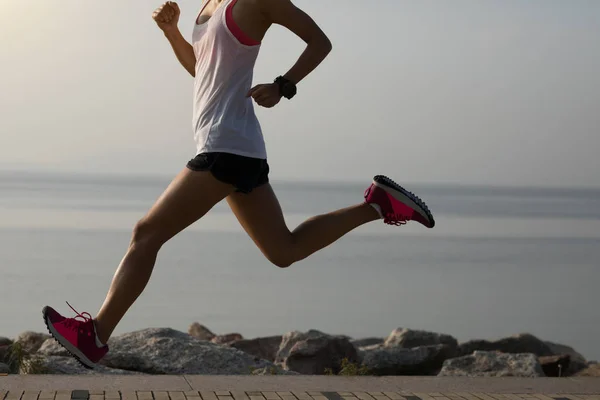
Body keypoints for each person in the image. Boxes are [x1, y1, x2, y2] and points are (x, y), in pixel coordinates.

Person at [42, 0, 435, 369]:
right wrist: (171, 32)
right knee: (284, 249)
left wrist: (283, 85)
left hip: (225, 145)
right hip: (238, 146)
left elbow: (320, 41)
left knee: (146, 233)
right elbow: (202, 70)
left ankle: (95, 335)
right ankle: (380, 204)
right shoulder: (209, 5)